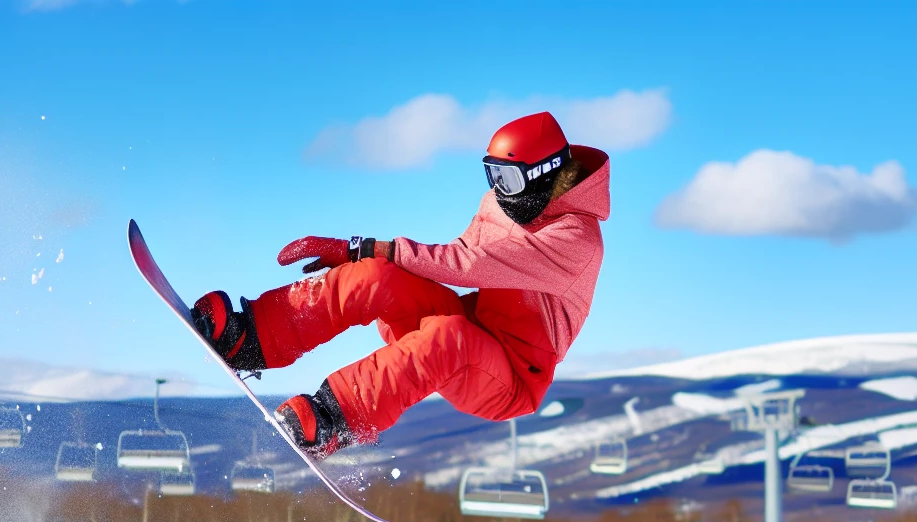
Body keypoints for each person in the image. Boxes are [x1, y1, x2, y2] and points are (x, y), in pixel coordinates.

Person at [190, 111, 610, 458]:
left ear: (546, 174)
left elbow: (468, 264)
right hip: (468, 330)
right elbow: (456, 254)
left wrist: (363, 245)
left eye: (510, 179)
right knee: (380, 275)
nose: (500, 191)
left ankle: (334, 420)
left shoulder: (577, 239)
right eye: (493, 175)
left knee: (450, 334)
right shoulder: (502, 204)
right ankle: (252, 338)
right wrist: (368, 258)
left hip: (510, 378)